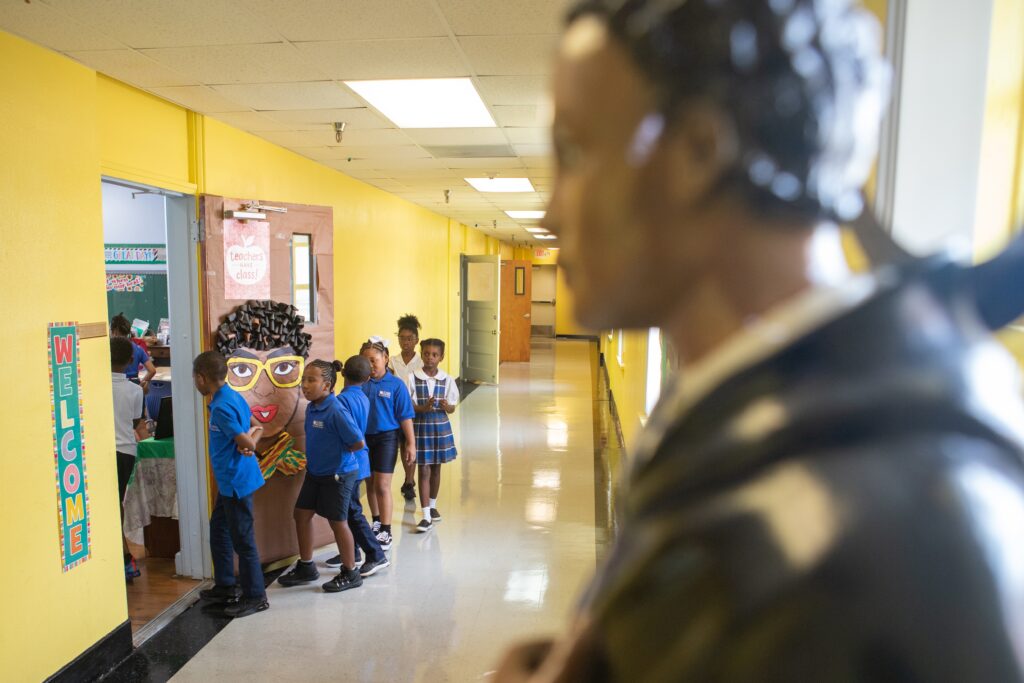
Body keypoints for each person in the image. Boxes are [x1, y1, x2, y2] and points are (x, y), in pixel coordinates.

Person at [495, 1, 1024, 681]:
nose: (549, 208)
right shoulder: (740, 413)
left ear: (698, 151)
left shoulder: (853, 537)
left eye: (573, 151)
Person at [277, 360, 364, 593]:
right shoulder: (312, 407)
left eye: (311, 380)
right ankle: (307, 566)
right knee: (301, 515)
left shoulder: (336, 410)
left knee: (338, 522)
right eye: (303, 379)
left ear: (326, 385)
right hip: (315, 473)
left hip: (338, 475)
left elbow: (357, 442)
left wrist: (336, 457)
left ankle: (350, 571)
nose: (304, 385)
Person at [193, 351, 268, 618]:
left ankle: (256, 596)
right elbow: (257, 427)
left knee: (243, 540)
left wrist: (249, 444)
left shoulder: (224, 406)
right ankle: (226, 585)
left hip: (236, 482)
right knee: (219, 530)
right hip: (230, 481)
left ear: (202, 378)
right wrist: (250, 441)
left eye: (195, 379)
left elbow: (251, 437)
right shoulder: (230, 396)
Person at [325, 355, 391, 577]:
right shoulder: (362, 396)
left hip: (350, 461)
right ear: (367, 377)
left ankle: (376, 554)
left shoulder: (342, 400)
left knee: (352, 510)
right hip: (361, 460)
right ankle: (352, 552)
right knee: (347, 509)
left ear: (343, 375)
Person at [360, 337, 416, 550]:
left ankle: (386, 529)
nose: (371, 365)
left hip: (387, 438)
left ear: (385, 359)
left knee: (382, 485)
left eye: (374, 360)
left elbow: (405, 417)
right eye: (366, 362)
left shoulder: (396, 385)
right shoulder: (360, 383)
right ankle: (375, 521)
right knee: (370, 483)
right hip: (365, 439)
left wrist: (411, 443)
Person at [407, 339, 459, 533]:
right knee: (424, 470)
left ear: (441, 357)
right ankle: (426, 515)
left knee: (436, 468)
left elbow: (452, 407)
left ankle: (433, 505)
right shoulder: (413, 377)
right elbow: (408, 405)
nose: (430, 358)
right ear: (422, 354)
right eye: (426, 353)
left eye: (434, 355)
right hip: (421, 426)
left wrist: (447, 407)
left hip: (440, 428)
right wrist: (423, 408)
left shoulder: (447, 379)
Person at [110, 336, 144, 582]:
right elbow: (134, 423)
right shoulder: (134, 390)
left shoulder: (92, 387)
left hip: (102, 453)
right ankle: (123, 559)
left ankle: (122, 558)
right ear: (132, 360)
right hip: (126, 452)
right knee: (117, 505)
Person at [391, 314, 424, 502]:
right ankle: (409, 478)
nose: (405, 342)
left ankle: (410, 480)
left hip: (416, 409)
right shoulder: (392, 361)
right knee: (403, 446)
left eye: (409, 338)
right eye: (402, 338)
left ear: (416, 340)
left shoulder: (421, 362)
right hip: (397, 410)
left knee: (413, 445)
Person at [110, 313, 156, 392]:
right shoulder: (137, 348)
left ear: (114, 331)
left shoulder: (112, 349)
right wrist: (141, 384)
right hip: (135, 384)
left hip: (118, 386)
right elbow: (152, 370)